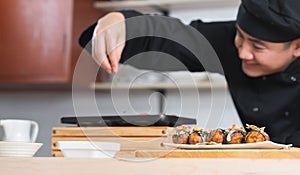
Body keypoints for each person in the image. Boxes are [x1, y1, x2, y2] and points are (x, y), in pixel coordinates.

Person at [79, 0, 300, 146]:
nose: (242, 52)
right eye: (240, 37)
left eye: (257, 47)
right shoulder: (230, 43)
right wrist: (121, 23)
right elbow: (171, 38)